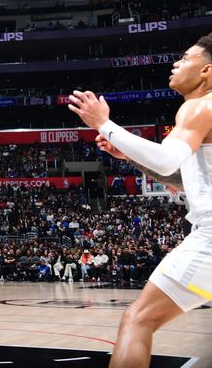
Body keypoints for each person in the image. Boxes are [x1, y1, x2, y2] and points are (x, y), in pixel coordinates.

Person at [68, 33, 212, 368]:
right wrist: (130, 156)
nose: (176, 63)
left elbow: (165, 160)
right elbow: (179, 177)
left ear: (206, 71)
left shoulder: (198, 106)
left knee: (138, 319)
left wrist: (104, 123)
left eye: (187, 57)